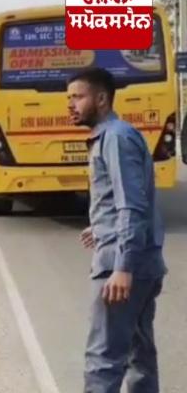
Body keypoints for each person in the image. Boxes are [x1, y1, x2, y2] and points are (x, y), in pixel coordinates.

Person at [67, 67, 166, 393]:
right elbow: (122, 201)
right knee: (139, 354)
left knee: (103, 360)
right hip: (140, 261)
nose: (71, 105)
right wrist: (100, 227)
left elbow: (132, 205)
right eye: (69, 98)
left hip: (121, 268)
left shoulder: (116, 138)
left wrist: (123, 268)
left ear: (101, 98)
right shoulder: (115, 135)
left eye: (78, 97)